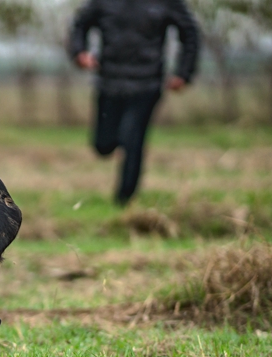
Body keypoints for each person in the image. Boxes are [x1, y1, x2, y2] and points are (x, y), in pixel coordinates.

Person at [69, 0, 199, 206]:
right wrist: (79, 52)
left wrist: (184, 73)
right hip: (109, 82)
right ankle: (117, 142)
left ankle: (124, 199)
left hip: (147, 83)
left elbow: (189, 32)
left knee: (132, 138)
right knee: (103, 145)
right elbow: (80, 23)